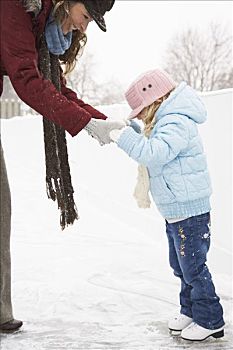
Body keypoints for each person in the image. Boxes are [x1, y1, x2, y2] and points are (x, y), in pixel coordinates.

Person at [0, 0, 125, 332]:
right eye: (86, 16)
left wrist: (104, 122)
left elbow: (56, 87)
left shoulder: (40, 21)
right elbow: (26, 79)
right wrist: (84, 124)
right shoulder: (17, 6)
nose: (84, 28)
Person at [107, 69, 225, 341]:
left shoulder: (176, 121)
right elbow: (154, 143)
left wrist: (125, 138)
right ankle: (190, 310)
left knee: (193, 267)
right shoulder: (165, 122)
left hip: (189, 211)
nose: (139, 117)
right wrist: (132, 131)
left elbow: (155, 153)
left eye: (140, 112)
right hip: (175, 210)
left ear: (154, 101)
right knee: (182, 266)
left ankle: (210, 319)